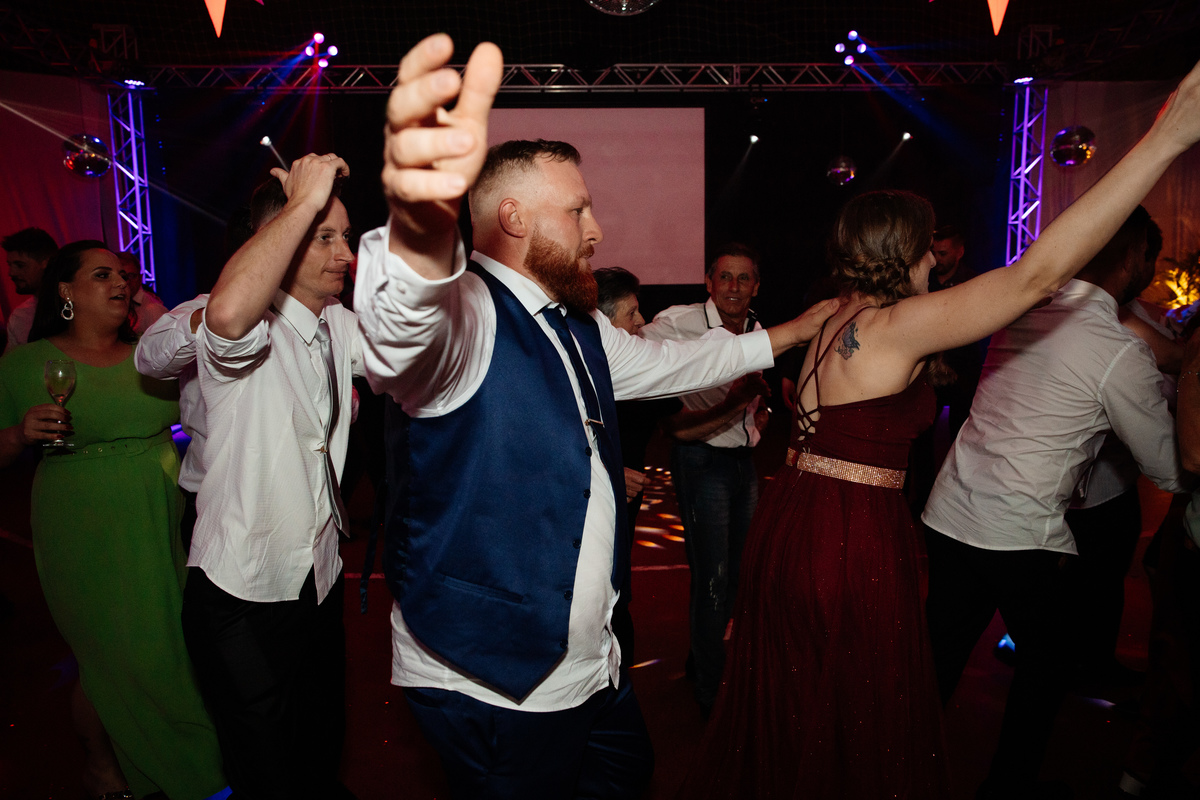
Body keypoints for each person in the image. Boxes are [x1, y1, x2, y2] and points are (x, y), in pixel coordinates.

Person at [680, 57, 1200, 800]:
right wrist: (1164, 140)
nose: (937, 256)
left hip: (797, 521)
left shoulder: (835, 312)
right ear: (905, 251)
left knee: (800, 700)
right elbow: (1036, 276)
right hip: (848, 535)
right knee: (854, 711)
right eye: (928, 244)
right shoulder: (894, 325)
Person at [353, 33, 840, 799]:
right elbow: (399, 333)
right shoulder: (467, 319)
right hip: (496, 674)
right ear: (513, 217)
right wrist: (416, 228)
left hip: (590, 660)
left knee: (625, 777)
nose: (597, 230)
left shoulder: (576, 324)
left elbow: (677, 364)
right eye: (578, 209)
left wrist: (787, 335)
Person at [923, 206, 1189, 799]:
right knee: (1048, 666)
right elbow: (1168, 467)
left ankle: (893, 768)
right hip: (1016, 532)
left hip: (950, 511)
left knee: (936, 658)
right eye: (1148, 255)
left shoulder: (1022, 309)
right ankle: (1009, 787)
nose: (1149, 267)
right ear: (1129, 258)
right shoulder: (1116, 350)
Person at [0, 241, 227, 800]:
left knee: (166, 646)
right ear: (65, 291)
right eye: (101, 275)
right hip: (81, 525)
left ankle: (147, 768)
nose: (120, 283)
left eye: (123, 275)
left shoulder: (151, 355)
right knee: (115, 655)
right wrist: (18, 434)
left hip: (159, 519)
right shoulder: (27, 363)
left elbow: (201, 420)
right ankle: (120, 766)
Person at [179, 157, 362, 800]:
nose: (345, 252)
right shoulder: (240, 326)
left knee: (319, 750)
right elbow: (227, 316)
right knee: (266, 771)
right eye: (324, 236)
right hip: (241, 590)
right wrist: (300, 204)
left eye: (346, 236)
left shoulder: (338, 324)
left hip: (317, 576)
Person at [595, 265, 770, 665]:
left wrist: (741, 403)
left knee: (620, 593)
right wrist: (602, 471)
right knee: (707, 577)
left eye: (744, 278)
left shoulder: (638, 367)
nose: (643, 322)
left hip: (634, 500)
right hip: (584, 506)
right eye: (633, 312)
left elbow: (680, 427)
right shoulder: (572, 365)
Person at [640, 242, 770, 716]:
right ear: (709, 284)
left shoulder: (757, 329)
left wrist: (760, 414)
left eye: (744, 278)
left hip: (742, 463)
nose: (734, 287)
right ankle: (712, 694)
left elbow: (756, 394)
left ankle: (705, 663)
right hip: (699, 461)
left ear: (756, 286)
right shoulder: (679, 322)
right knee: (712, 579)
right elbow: (627, 349)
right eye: (725, 278)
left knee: (737, 574)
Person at [2, 227, 57, 354]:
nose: (11, 273)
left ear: (46, 263)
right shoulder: (20, 316)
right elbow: (12, 365)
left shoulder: (76, 307)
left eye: (20, 265)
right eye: (9, 265)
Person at [116, 252, 168, 335]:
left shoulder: (154, 310)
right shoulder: (114, 305)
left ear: (140, 278)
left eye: (131, 276)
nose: (127, 282)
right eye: (123, 276)